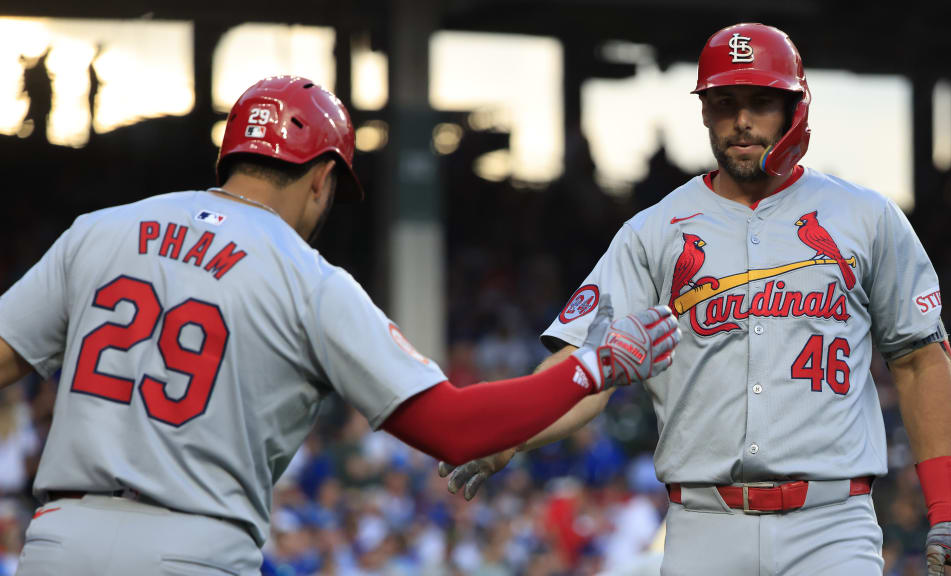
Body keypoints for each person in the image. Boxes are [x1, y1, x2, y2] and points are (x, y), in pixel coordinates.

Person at [0, 75, 682, 575]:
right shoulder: (309, 278)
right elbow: (451, 426)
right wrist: (595, 368)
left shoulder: (98, 233)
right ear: (322, 177)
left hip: (63, 538)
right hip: (194, 548)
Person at [440, 23, 951, 575]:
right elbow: (589, 367)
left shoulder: (866, 217)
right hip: (702, 525)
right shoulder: (652, 231)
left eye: (760, 102)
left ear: (794, 108)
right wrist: (507, 427)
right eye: (725, 103)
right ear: (704, 112)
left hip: (831, 524)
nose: (742, 121)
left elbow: (921, 359)